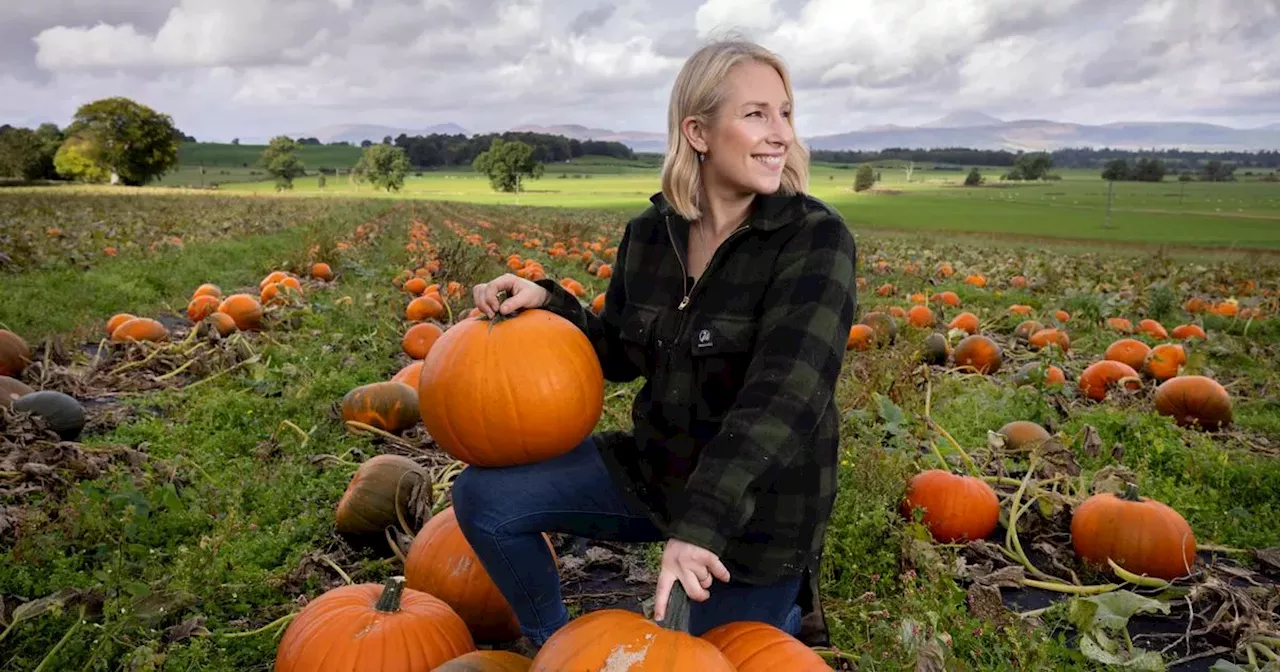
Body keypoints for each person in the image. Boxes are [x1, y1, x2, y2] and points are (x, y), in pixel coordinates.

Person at [452, 36, 857, 654]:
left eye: (785, 113)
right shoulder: (650, 234)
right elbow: (616, 352)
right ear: (698, 132)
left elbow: (785, 401)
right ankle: (549, 639)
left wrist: (700, 529)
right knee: (486, 500)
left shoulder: (814, 240)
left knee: (717, 656)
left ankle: (785, 603)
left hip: (754, 516)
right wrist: (550, 304)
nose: (781, 134)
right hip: (658, 471)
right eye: (756, 114)